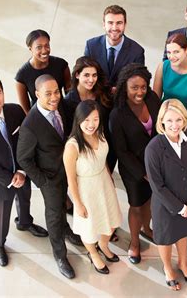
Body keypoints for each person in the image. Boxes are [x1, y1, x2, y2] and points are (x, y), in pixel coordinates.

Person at [0, 77, 48, 267]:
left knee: (24, 199)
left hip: (22, 170)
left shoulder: (15, 111)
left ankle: (25, 222)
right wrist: (11, 178)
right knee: (0, 216)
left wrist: (21, 171)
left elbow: (26, 141)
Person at [17, 74, 83, 279]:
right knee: (54, 215)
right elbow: (23, 159)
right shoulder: (30, 126)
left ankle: (67, 230)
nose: (55, 97)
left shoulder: (59, 105)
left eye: (56, 91)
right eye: (48, 94)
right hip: (49, 177)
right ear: (36, 95)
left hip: (68, 169)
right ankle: (60, 255)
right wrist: (43, 181)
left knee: (66, 205)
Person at [145, 99, 187, 291]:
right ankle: (168, 268)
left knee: (183, 233)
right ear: (161, 121)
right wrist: (180, 207)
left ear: (184, 119)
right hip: (166, 205)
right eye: (169, 121)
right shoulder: (153, 148)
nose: (174, 125)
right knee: (166, 238)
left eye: (179, 120)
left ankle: (183, 264)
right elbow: (157, 185)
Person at [63, 100, 122, 275]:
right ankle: (93, 252)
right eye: (87, 120)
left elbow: (103, 161)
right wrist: (78, 203)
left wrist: (110, 180)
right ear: (78, 120)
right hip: (86, 188)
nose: (91, 124)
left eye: (95, 119)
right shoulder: (72, 146)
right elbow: (71, 179)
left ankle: (103, 245)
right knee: (89, 227)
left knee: (111, 219)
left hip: (103, 181)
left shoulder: (101, 134)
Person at [109, 63, 159, 264]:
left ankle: (147, 229)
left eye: (143, 87)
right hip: (134, 170)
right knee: (136, 205)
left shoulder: (153, 99)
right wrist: (143, 173)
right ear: (124, 88)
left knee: (149, 201)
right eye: (134, 88)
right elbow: (121, 151)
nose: (140, 92)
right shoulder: (117, 115)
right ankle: (135, 242)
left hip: (155, 164)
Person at [85, 4, 145, 93]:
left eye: (119, 23)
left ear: (125, 24)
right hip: (97, 97)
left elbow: (138, 82)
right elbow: (86, 76)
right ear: (104, 24)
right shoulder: (91, 46)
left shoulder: (137, 51)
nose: (114, 28)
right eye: (110, 23)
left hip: (124, 100)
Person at [15, 29, 71, 113]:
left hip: (62, 112)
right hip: (40, 117)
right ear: (30, 49)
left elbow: (69, 94)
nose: (44, 50)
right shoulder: (22, 75)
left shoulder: (61, 65)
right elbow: (26, 110)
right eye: (39, 47)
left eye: (47, 45)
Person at [153, 33, 187, 106]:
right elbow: (155, 100)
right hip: (164, 114)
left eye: (176, 52)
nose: (171, 57)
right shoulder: (163, 66)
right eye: (169, 52)